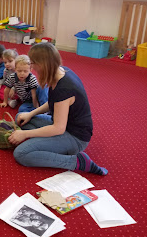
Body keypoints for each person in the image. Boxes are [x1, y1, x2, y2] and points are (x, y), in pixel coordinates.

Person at [9, 43, 108, 176]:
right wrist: (31, 113)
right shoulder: (61, 71)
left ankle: (76, 161)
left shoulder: (64, 88)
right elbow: (53, 103)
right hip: (63, 124)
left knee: (21, 153)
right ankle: (47, 143)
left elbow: (58, 128)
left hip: (75, 137)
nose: (32, 67)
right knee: (21, 118)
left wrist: (25, 135)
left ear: (42, 64)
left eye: (33, 63)